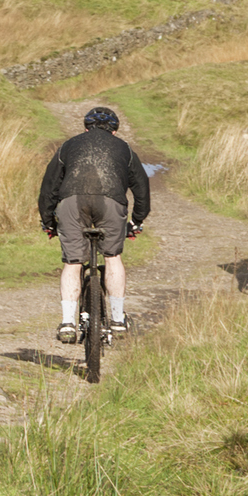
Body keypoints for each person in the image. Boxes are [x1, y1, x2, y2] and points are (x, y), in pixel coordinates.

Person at [39, 104, 153, 341]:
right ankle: (118, 321)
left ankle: (69, 323)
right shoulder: (124, 148)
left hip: (72, 203)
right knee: (112, 257)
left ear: (86, 127)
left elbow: (49, 186)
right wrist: (137, 220)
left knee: (73, 263)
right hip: (111, 203)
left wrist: (48, 220)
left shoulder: (68, 145)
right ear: (114, 131)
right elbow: (142, 187)